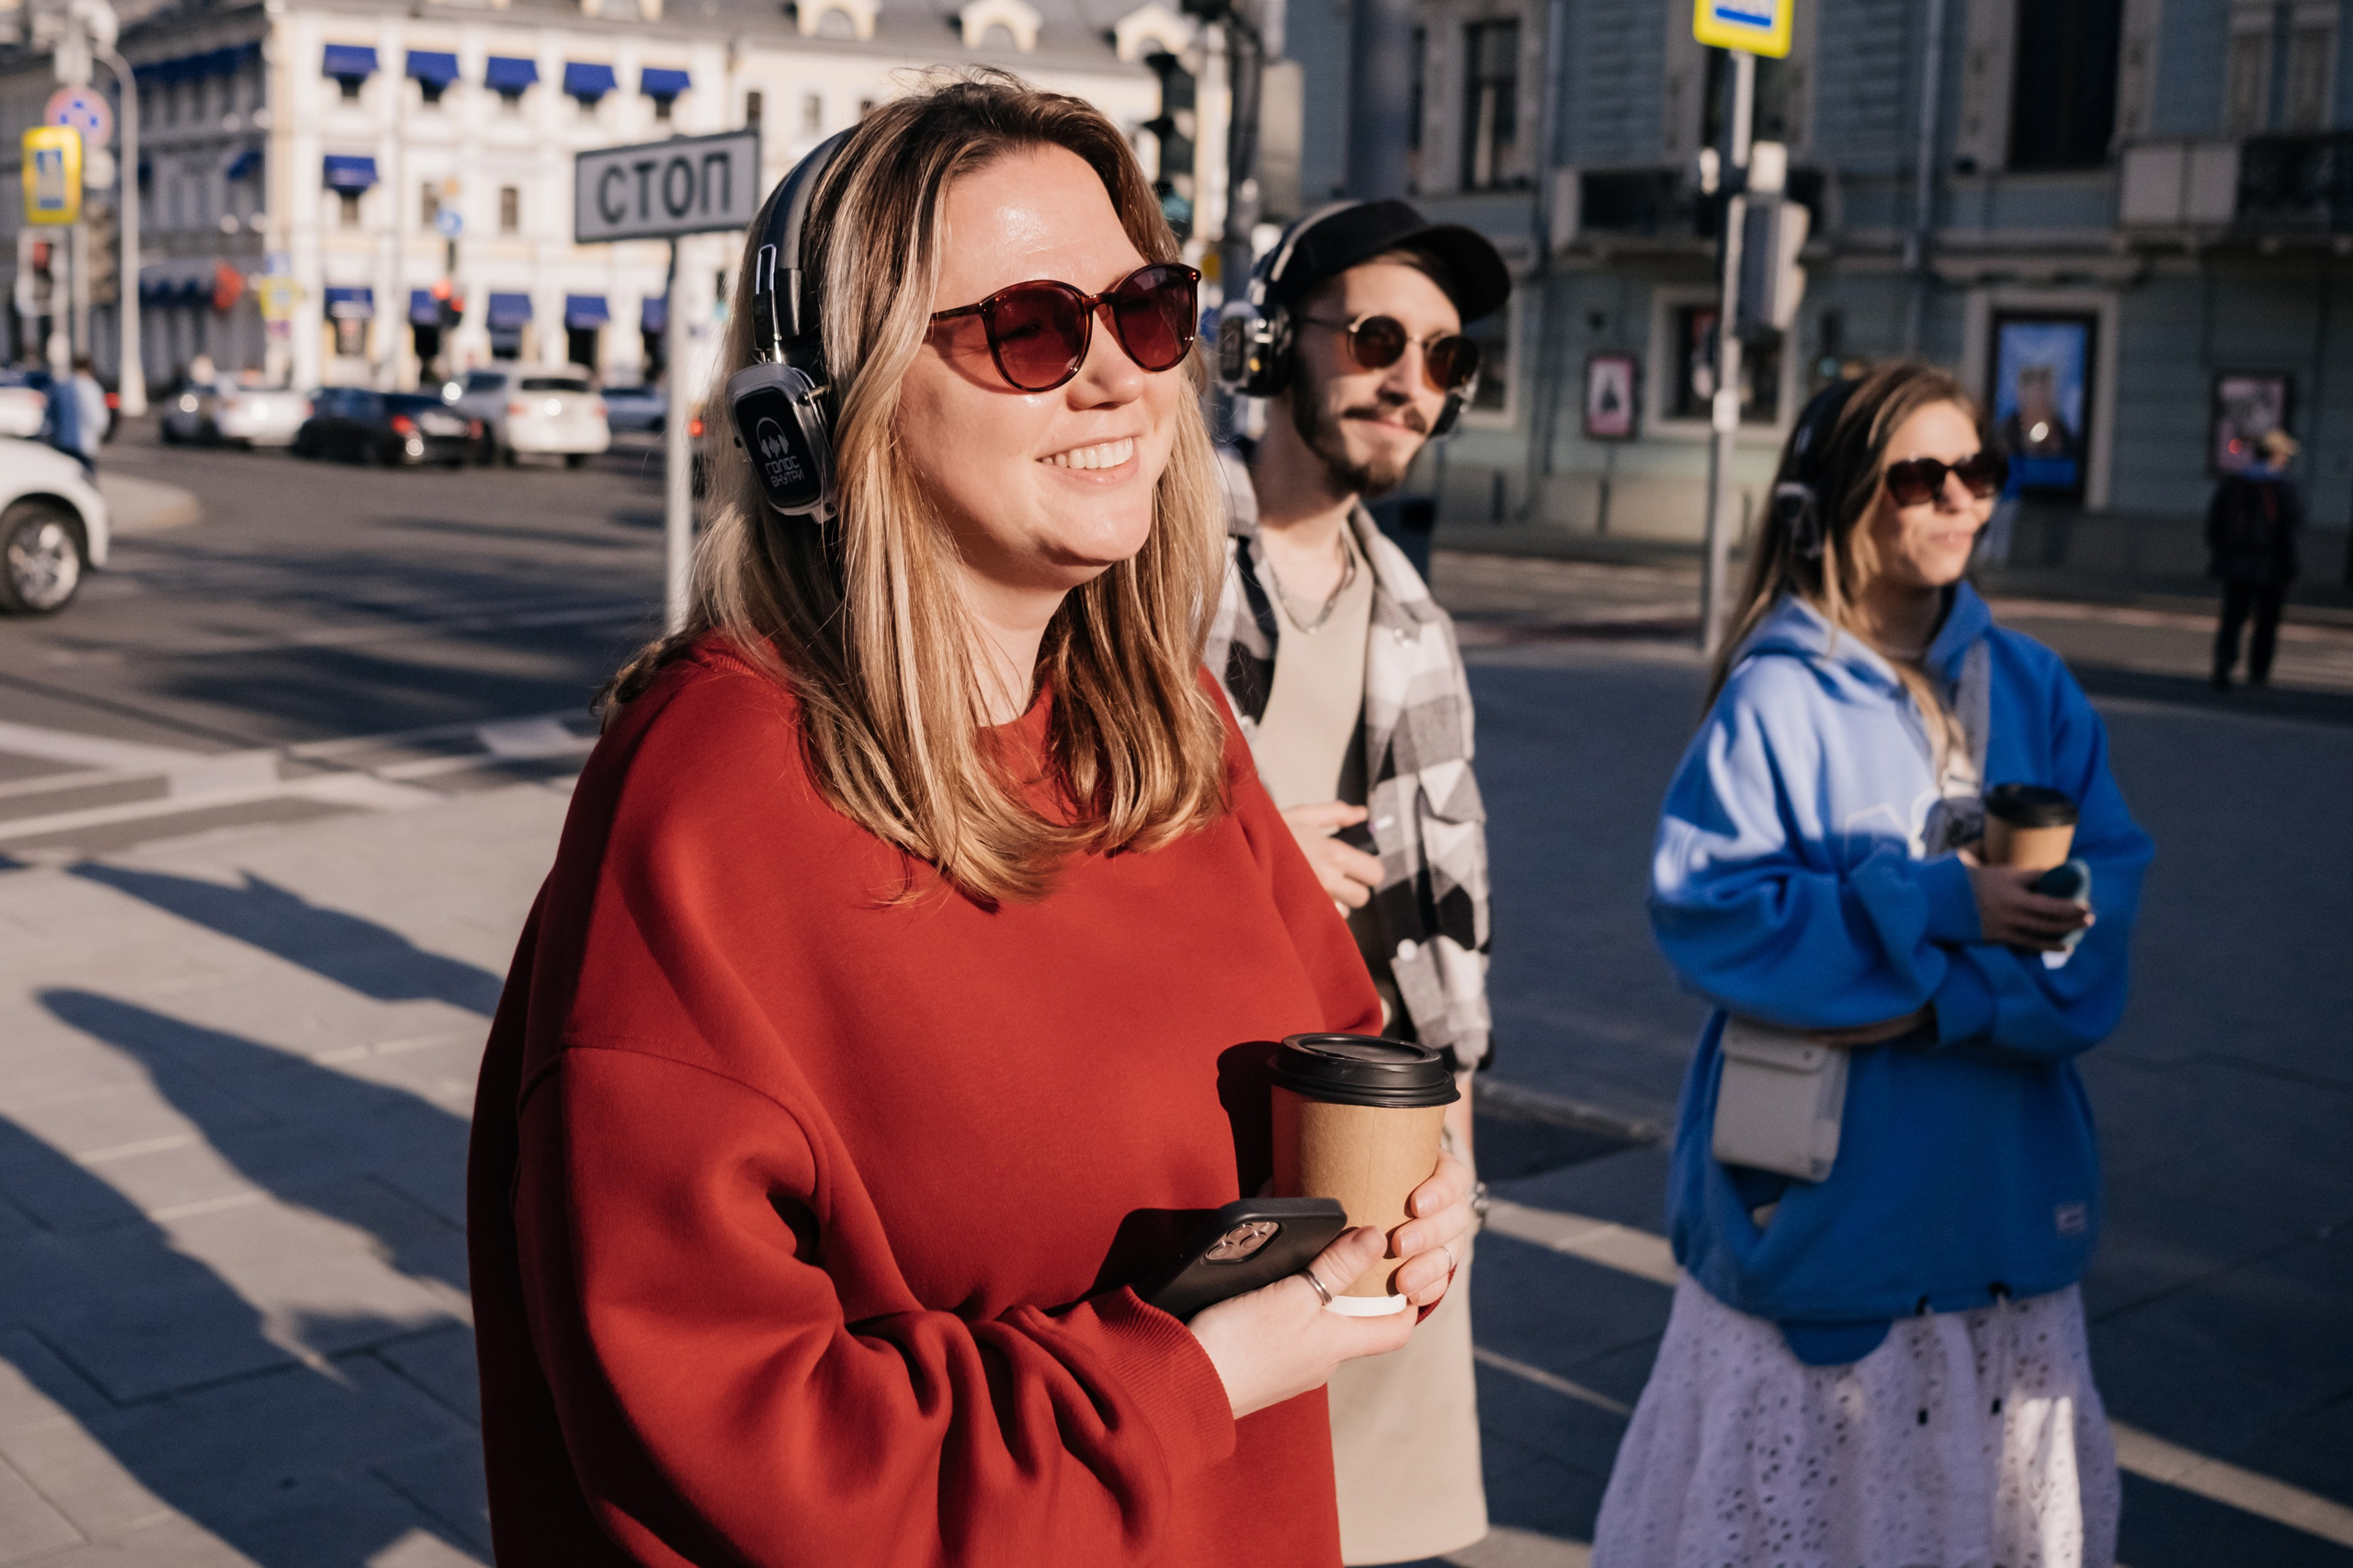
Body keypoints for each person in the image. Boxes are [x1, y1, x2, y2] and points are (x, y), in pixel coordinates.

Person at [465, 74, 1474, 1568]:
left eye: (1141, 310)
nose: (1118, 377)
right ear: (815, 423)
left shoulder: (1169, 723)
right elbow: (718, 1435)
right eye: (1028, 328)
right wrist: (1191, 1378)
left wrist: (1412, 1184)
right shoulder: (713, 794)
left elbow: (1332, 1059)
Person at [1594, 363, 2154, 1568]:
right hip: (1832, 1219)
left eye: (1980, 470)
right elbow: (1714, 916)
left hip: (2006, 1221)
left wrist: (1925, 977)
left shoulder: (2039, 689)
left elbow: (2095, 950)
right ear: (1848, 498)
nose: (1960, 499)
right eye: (1922, 476)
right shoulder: (1776, 698)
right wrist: (1945, 914)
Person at [1203, 199, 1506, 1566]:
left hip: (1382, 1106)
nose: (1411, 380)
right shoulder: (1148, 557)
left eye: (1447, 359)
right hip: (1200, 1099)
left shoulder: (1416, 619)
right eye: (1379, 336)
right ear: (1274, 342)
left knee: (1376, 1519)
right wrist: (1239, 836)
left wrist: (1452, 1120)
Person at [2208, 427, 2303, 691]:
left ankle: (2224, 663)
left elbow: (2215, 525)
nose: (2285, 458)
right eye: (2284, 454)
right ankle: (2258, 672)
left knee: (2233, 617)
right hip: (2271, 567)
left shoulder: (2235, 483)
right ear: (2276, 454)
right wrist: (2291, 568)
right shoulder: (2284, 487)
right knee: (2266, 621)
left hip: (2236, 563)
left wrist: (2222, 555)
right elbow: (2290, 532)